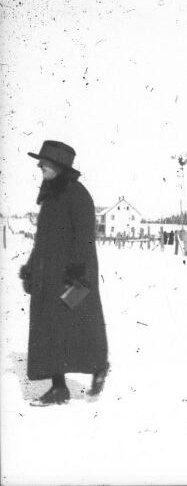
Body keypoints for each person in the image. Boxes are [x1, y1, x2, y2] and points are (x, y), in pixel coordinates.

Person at [18, 141, 109, 406]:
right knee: (48, 329)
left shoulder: (78, 195)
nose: (40, 166)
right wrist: (31, 268)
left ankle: (99, 367)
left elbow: (84, 237)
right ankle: (58, 388)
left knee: (82, 327)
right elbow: (43, 240)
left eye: (44, 162)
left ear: (58, 165)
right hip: (50, 274)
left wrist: (77, 272)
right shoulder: (51, 195)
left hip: (74, 275)